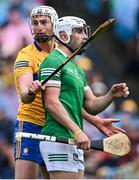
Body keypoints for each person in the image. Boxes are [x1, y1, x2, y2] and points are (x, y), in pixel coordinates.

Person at [39, 16, 129, 179]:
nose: (85, 37)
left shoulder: (77, 69)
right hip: (59, 138)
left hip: (73, 140)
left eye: (85, 32)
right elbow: (51, 103)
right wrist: (77, 131)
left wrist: (111, 95)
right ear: (64, 34)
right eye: (79, 31)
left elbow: (92, 105)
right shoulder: (52, 61)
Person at [13, 5, 58, 179]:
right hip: (31, 124)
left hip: (54, 126)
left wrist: (96, 121)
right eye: (35, 22)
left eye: (44, 22)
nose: (38, 26)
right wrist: (31, 91)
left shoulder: (61, 56)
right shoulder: (26, 55)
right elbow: (25, 95)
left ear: (54, 25)